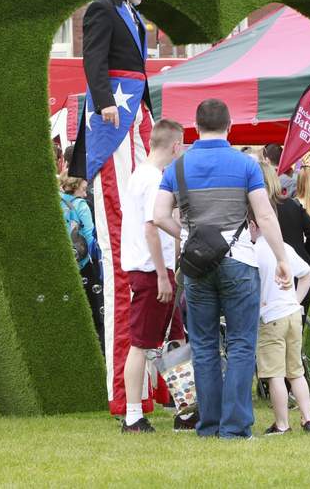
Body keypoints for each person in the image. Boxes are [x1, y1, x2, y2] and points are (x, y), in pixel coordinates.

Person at [154, 99, 292, 440]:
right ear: (229, 126)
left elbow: (158, 215)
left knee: (203, 345)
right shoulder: (246, 164)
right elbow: (263, 215)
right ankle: (235, 426)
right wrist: (282, 259)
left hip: (197, 266)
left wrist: (187, 235)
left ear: (195, 128)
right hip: (240, 262)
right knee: (243, 344)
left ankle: (209, 424)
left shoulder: (179, 168)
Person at [68, 0, 164, 416]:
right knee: (124, 258)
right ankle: (126, 391)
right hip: (115, 124)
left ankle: (154, 384)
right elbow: (93, 60)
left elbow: (141, 72)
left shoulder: (129, 11)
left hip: (134, 122)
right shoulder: (102, 9)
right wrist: (105, 101)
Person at [120, 119, 186, 433]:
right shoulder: (153, 179)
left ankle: (186, 408)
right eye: (182, 145)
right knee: (142, 343)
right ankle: (133, 415)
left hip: (151, 268)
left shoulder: (140, 175)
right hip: (150, 271)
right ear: (175, 146)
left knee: (174, 339)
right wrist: (162, 274)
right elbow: (152, 227)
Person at [250, 216, 310, 434]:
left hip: (270, 317)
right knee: (296, 371)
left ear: (252, 226)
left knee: (275, 374)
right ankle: (308, 419)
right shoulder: (283, 248)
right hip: (293, 315)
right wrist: (294, 301)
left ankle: (282, 423)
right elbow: (307, 274)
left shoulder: (254, 252)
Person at [261, 162, 310, 314]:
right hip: (300, 273)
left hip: (275, 276)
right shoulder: (292, 204)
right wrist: (303, 253)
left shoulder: (260, 209)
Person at [59, 172, 104, 350]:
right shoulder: (81, 206)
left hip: (65, 262)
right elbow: (90, 238)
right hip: (84, 264)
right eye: (84, 189)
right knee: (95, 309)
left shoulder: (57, 201)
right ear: (75, 186)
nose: (86, 194)